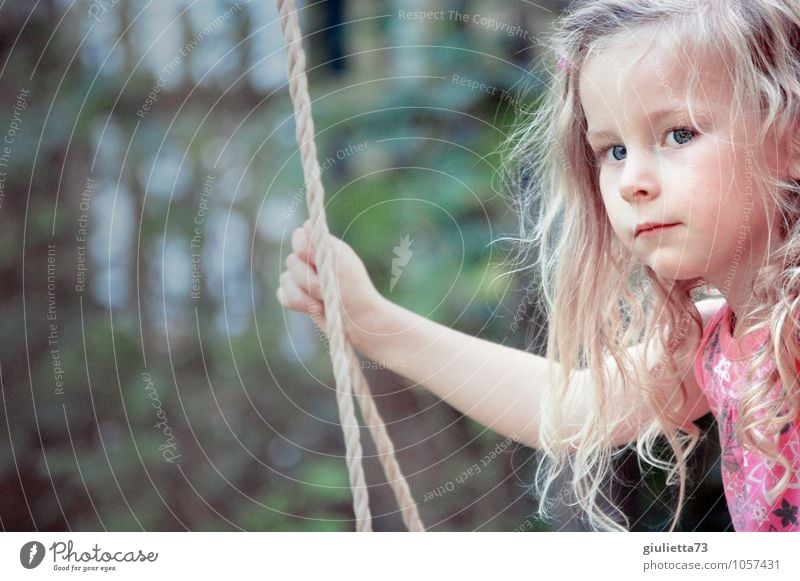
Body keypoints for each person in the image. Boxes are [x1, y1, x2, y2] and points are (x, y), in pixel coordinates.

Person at [276, 0, 800, 532]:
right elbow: (568, 407)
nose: (631, 180)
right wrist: (374, 322)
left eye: (679, 134)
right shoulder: (717, 342)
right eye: (614, 150)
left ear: (791, 135)